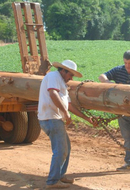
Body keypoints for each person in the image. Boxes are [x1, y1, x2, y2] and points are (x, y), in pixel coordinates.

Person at [38, 59, 97, 189]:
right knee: (60, 150)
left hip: (54, 118)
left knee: (66, 148)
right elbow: (53, 94)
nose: (71, 78)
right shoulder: (53, 76)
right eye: (70, 74)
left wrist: (86, 118)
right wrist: (65, 113)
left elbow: (69, 105)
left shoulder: (63, 84)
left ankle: (60, 175)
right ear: (64, 71)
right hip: (51, 118)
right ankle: (53, 181)